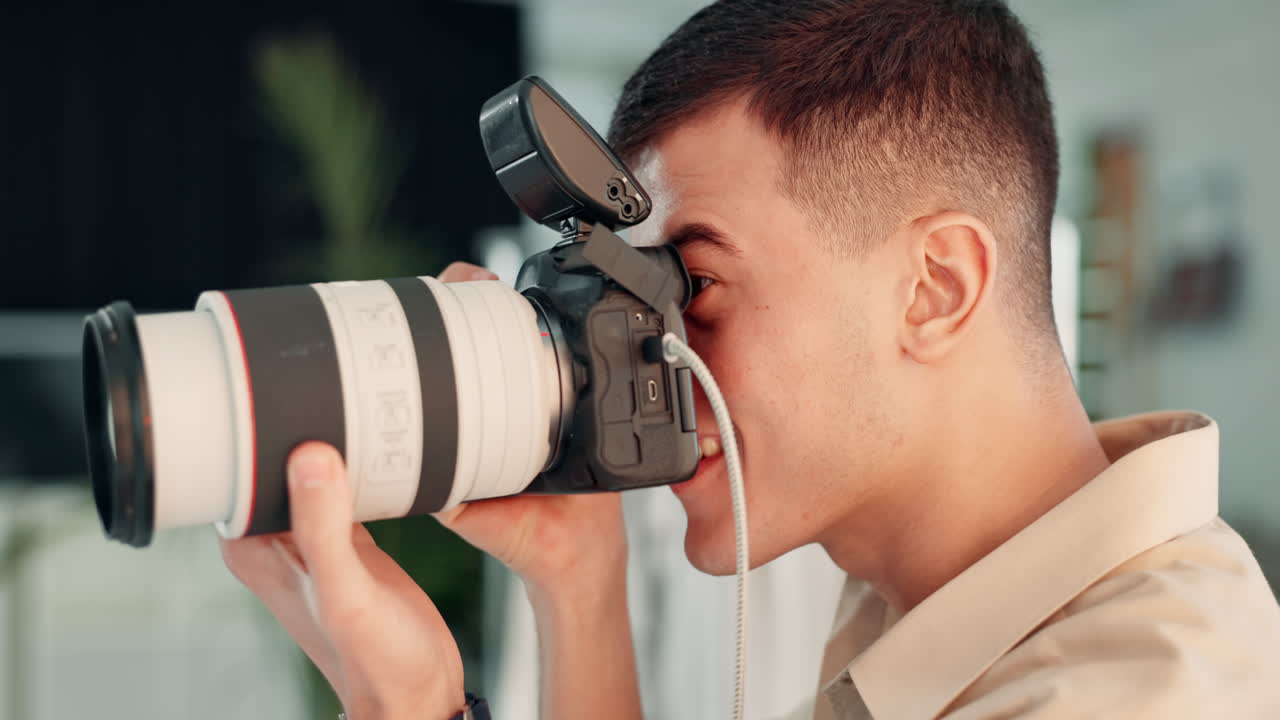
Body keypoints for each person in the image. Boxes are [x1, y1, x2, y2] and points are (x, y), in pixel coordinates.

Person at [219, 1, 1280, 718]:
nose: (648, 344)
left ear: (934, 286)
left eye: (694, 285)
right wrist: (579, 584)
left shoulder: (1137, 691)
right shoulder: (927, 592)